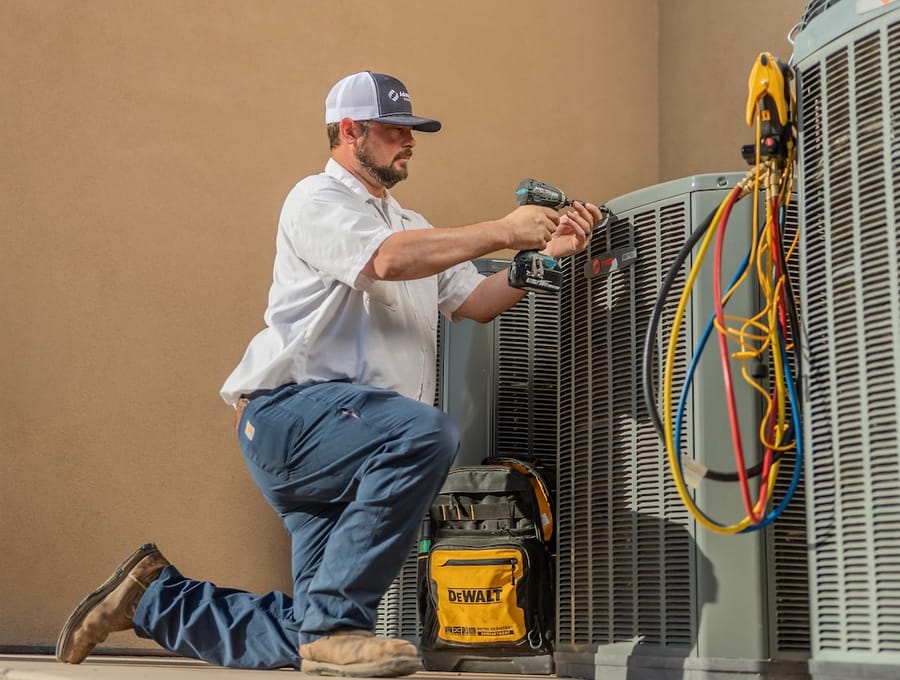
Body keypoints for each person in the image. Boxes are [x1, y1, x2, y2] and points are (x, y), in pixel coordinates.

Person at [55, 70, 602, 677]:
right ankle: (338, 624)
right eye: (396, 130)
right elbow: (384, 262)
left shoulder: (411, 224)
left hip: (351, 443)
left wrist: (536, 263)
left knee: (310, 634)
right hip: (293, 417)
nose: (410, 141)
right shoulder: (316, 200)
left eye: (412, 131)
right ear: (349, 132)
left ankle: (151, 599)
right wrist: (503, 229)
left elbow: (473, 302)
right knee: (425, 435)